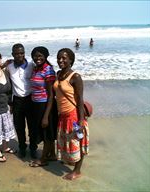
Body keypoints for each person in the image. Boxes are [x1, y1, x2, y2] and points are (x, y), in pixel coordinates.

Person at [53, 48, 89, 180]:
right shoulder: (58, 74)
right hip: (62, 115)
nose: (60, 60)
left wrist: (80, 121)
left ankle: (77, 170)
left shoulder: (75, 77)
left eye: (64, 58)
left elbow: (80, 100)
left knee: (77, 142)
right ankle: (69, 160)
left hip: (73, 115)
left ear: (71, 60)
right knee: (66, 140)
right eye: (58, 58)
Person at [5, 43, 38, 159]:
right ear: (12, 54)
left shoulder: (31, 65)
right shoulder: (9, 67)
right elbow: (8, 86)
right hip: (17, 101)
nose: (20, 55)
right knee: (19, 127)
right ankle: (22, 147)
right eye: (17, 53)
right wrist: (10, 103)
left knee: (32, 126)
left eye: (22, 53)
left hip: (30, 99)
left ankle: (33, 148)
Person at [28, 46, 57, 167]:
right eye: (35, 56)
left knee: (46, 133)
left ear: (45, 56)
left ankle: (43, 159)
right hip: (36, 105)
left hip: (46, 106)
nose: (37, 58)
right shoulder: (36, 69)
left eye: (40, 56)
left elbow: (51, 95)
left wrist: (46, 116)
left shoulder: (48, 70)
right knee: (47, 132)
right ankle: (52, 155)